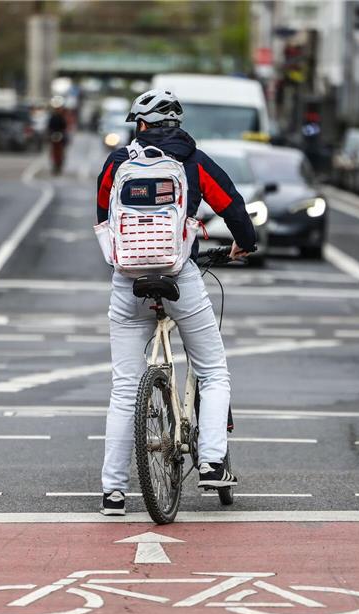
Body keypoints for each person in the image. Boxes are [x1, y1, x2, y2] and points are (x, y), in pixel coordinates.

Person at [95, 89, 258, 516]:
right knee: (213, 370)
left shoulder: (117, 163)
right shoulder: (195, 162)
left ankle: (113, 492)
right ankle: (210, 462)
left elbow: (101, 218)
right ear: (177, 124)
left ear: (142, 125)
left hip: (127, 279)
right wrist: (245, 245)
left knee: (124, 388)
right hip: (179, 274)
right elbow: (233, 207)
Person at [47, 106, 68, 175]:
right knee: (53, 150)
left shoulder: (62, 118)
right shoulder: (52, 117)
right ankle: (54, 163)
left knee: (61, 149)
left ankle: (60, 162)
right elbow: (49, 126)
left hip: (60, 136)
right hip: (54, 135)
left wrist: (62, 133)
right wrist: (50, 134)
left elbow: (64, 127)